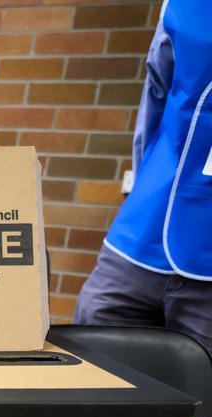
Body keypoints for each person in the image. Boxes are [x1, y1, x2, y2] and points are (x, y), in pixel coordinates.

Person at [73, 0, 211, 349]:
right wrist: (142, 184)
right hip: (140, 235)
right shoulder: (181, 5)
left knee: (201, 398)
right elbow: (157, 95)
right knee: (92, 366)